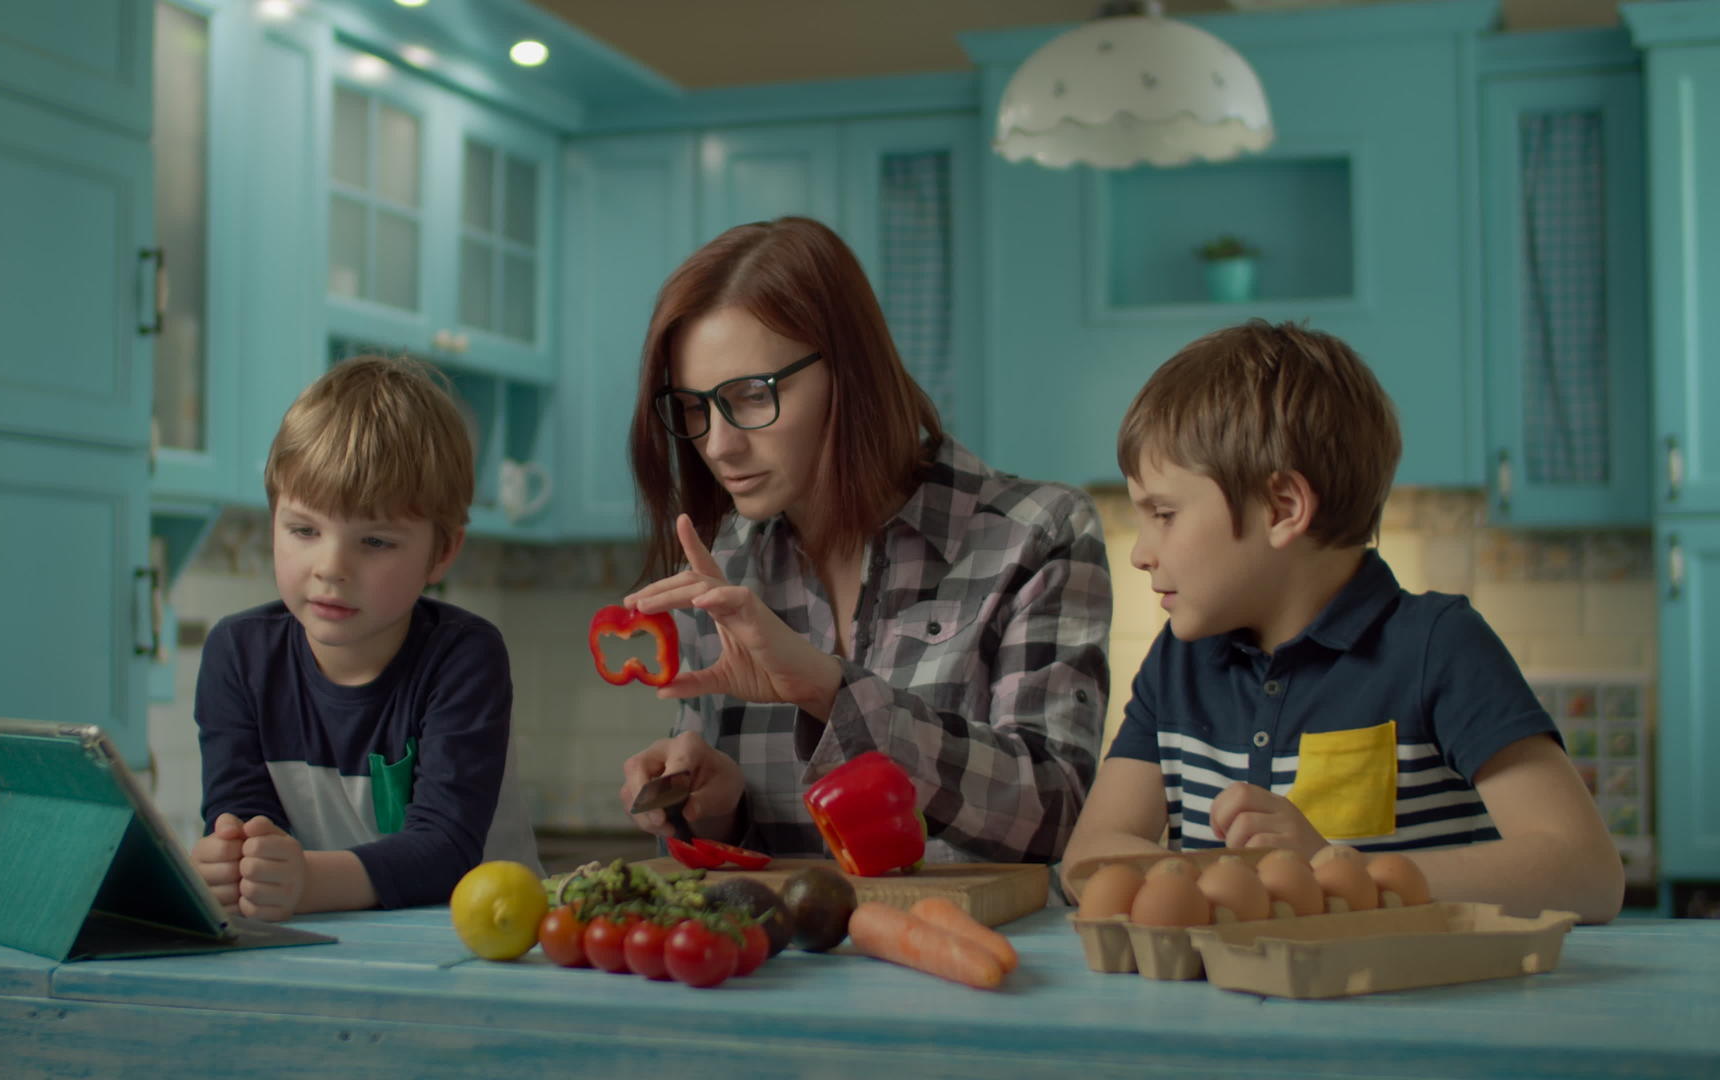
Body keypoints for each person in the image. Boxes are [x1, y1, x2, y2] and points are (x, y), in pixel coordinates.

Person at [1063, 320, 1624, 922]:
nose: (1141, 551)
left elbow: (1587, 873)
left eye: (1164, 513)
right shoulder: (1180, 660)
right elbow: (1088, 855)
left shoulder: (1438, 647)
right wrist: (1220, 886)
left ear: (1283, 509)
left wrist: (1336, 871)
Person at [615, 216, 1112, 866]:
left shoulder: (1038, 534)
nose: (717, 443)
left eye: (751, 395)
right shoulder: (724, 564)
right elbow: (754, 868)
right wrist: (719, 804)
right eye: (693, 407)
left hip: (978, 962)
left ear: (851, 372)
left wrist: (829, 689)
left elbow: (1054, 811)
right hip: (791, 969)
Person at [188, 354, 537, 921]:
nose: (331, 567)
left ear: (442, 552)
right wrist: (233, 863)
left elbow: (446, 851)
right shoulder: (237, 654)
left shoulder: (464, 657)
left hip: (480, 948)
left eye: (374, 541)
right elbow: (242, 817)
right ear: (273, 519)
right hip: (325, 951)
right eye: (304, 529)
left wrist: (301, 880)